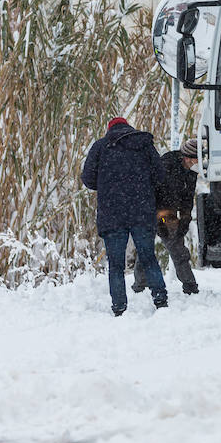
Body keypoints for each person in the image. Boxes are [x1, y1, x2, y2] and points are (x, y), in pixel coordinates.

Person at [81, 116, 169, 315]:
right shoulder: (144, 145)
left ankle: (119, 307)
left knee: (116, 264)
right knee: (148, 258)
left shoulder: (101, 147)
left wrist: (107, 184)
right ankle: (160, 299)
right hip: (142, 210)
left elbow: (88, 179)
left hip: (112, 213)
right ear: (128, 127)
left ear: (109, 129)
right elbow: (160, 176)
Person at [134, 138, 200, 295]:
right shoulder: (166, 165)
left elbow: (187, 200)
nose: (198, 161)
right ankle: (140, 286)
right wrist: (159, 220)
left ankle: (190, 287)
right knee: (145, 249)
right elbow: (156, 194)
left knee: (179, 250)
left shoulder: (191, 174)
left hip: (169, 214)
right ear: (188, 157)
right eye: (196, 158)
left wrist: (185, 220)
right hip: (149, 211)